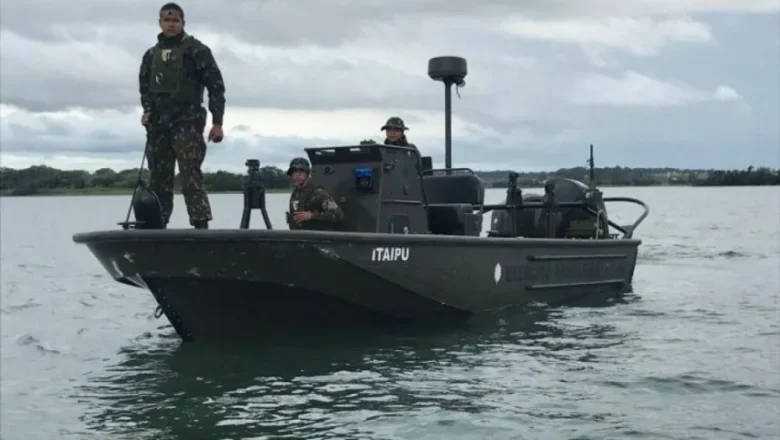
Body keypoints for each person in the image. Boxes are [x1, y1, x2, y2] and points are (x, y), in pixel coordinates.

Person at [138, 2, 226, 229]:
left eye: (175, 20)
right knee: (159, 178)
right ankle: (157, 224)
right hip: (159, 123)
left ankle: (200, 224)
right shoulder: (151, 55)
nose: (171, 24)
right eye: (167, 20)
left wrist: (217, 122)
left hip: (188, 120)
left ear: (183, 23)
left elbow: (216, 87)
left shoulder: (197, 50)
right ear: (160, 23)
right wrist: (147, 110)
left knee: (190, 175)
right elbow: (145, 87)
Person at [286, 157, 344, 230]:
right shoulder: (295, 194)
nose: (297, 175)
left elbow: (338, 215)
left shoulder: (318, 193)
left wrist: (312, 216)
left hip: (317, 236)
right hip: (300, 235)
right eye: (294, 172)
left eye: (301, 172)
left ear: (307, 173)